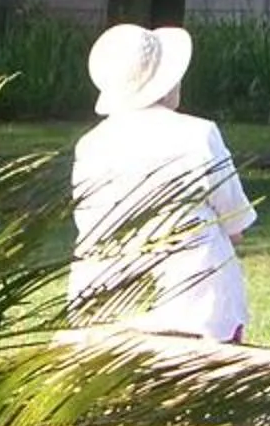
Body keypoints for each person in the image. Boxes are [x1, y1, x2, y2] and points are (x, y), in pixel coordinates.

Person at [69, 22, 257, 343]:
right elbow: (235, 223)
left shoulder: (90, 145)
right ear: (167, 83)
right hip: (196, 310)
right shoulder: (199, 134)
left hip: (102, 305)